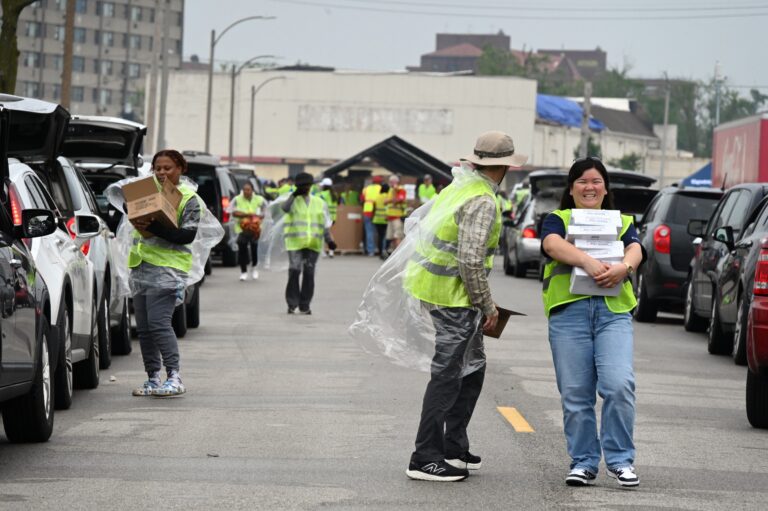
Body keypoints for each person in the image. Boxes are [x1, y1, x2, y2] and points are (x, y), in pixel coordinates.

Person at [404, 131, 528, 482]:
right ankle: (424, 456)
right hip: (452, 297)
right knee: (448, 375)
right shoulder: (483, 200)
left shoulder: (460, 187)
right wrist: (487, 306)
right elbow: (471, 261)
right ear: (503, 166)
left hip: (441, 290)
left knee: (472, 368)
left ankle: (453, 446)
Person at [540, 156, 644, 488]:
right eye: (582, 181)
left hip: (612, 314)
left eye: (596, 181)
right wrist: (589, 262)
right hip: (568, 314)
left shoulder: (623, 221)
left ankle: (620, 460)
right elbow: (551, 245)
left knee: (618, 384)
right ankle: (584, 462)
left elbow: (636, 249)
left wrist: (623, 268)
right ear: (571, 190)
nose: (590, 187)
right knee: (575, 393)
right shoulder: (558, 219)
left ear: (605, 188)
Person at [128, 150, 204, 397]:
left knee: (159, 323)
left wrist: (155, 227)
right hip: (141, 265)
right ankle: (152, 378)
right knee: (145, 328)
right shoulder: (147, 194)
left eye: (167, 168)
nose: (162, 173)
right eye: (158, 168)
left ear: (180, 168)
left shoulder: (188, 199)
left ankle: (174, 376)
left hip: (168, 270)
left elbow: (187, 235)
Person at [281, 172, 332, 315]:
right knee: (295, 270)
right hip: (295, 243)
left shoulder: (319, 202)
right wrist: (294, 195)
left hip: (313, 244)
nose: (305, 188)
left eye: (307, 186)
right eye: (302, 186)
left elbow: (325, 223)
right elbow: (284, 209)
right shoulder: (292, 200)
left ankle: (305, 304)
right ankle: (292, 303)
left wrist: (330, 240)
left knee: (309, 273)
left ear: (311, 186)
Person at [231, 182, 265, 281]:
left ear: (252, 190)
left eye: (248, 190)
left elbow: (264, 211)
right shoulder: (237, 199)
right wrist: (247, 215)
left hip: (255, 229)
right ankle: (243, 271)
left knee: (255, 249)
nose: (246, 191)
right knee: (242, 250)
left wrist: (258, 217)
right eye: (244, 189)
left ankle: (254, 268)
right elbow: (234, 212)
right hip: (242, 229)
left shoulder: (259, 199)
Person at [384, 175, 407, 251]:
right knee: (391, 237)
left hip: (397, 217)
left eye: (392, 182)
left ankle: (399, 254)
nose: (390, 183)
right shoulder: (391, 190)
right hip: (390, 217)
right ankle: (394, 253)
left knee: (397, 236)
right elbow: (385, 202)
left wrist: (391, 199)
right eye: (390, 182)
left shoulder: (400, 189)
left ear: (396, 182)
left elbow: (399, 200)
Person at [361, 176, 383, 256]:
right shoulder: (382, 188)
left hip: (367, 211)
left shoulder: (366, 189)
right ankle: (380, 249)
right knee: (379, 232)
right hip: (378, 212)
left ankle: (370, 251)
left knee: (369, 231)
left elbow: (362, 199)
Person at [372, 183, 390, 260]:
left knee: (380, 236)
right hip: (385, 219)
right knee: (386, 236)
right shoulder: (387, 197)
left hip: (377, 219)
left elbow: (374, 207)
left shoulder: (377, 196)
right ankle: (384, 251)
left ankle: (380, 252)